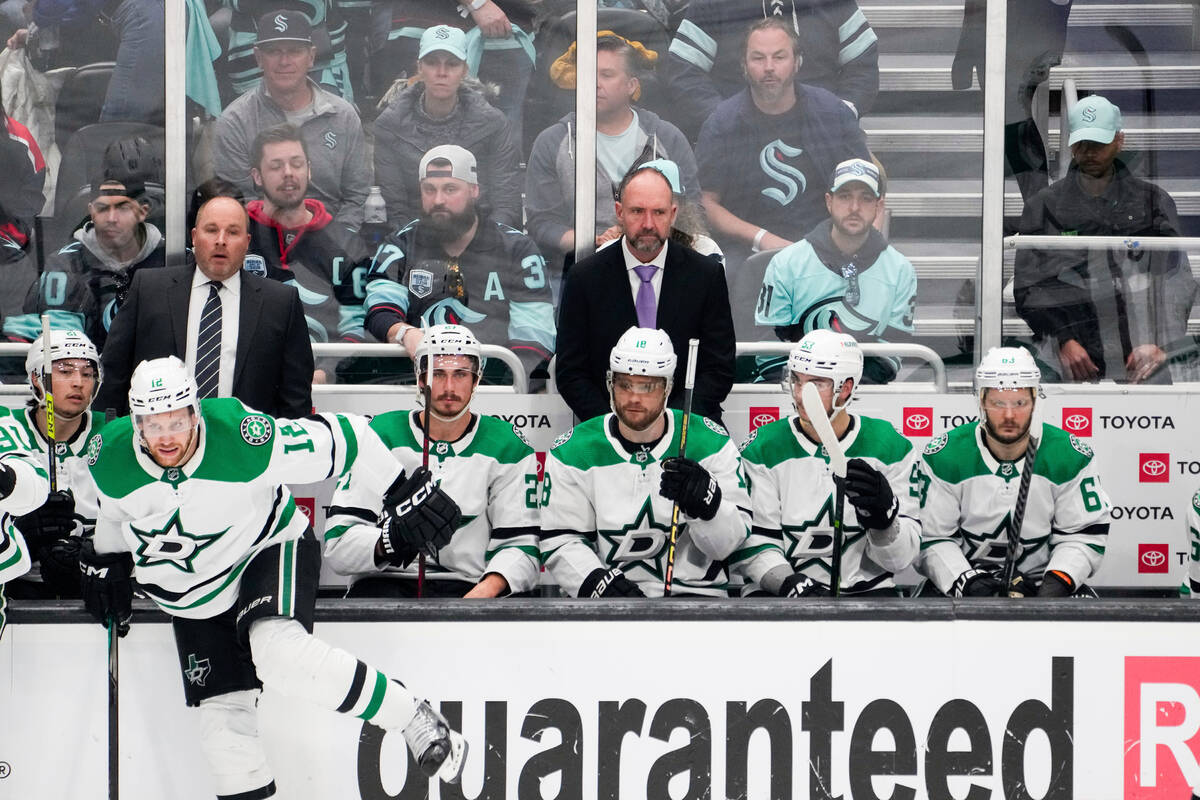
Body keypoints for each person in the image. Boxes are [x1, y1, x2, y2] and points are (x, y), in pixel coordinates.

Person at [79, 356, 467, 797]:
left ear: (195, 412)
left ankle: (413, 717)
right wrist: (105, 561)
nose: (167, 437)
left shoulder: (244, 439)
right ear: (136, 424)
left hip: (266, 547)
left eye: (177, 421)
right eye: (153, 424)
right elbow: (113, 515)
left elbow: (350, 438)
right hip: (192, 594)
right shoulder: (107, 457)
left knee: (280, 655)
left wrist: (401, 487)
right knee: (224, 737)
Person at [325, 324, 541, 597]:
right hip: (383, 585)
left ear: (476, 380)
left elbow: (522, 548)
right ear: (419, 377)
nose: (448, 387)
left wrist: (474, 602)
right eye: (438, 374)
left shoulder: (509, 446)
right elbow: (338, 546)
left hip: (469, 589)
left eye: (460, 374)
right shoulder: (377, 435)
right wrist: (392, 539)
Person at [540, 326, 750, 598]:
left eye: (647, 386)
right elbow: (562, 541)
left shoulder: (711, 442)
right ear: (610, 383)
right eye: (625, 384)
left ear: (668, 388)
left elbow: (727, 546)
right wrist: (597, 583)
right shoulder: (572, 450)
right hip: (604, 608)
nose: (634, 397)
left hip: (697, 604)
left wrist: (709, 507)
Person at [1013, 94, 1195, 384]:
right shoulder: (1044, 205)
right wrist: (1064, 340)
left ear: (1119, 141)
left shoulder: (1153, 202)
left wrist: (1160, 344)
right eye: (1082, 143)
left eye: (1098, 143)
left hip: (1142, 352)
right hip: (1069, 356)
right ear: (1071, 144)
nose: (1089, 152)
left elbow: (1177, 281)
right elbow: (1029, 287)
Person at [915, 346, 1111, 597]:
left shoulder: (1069, 455)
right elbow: (931, 537)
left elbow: (1083, 534)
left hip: (1042, 582)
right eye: (998, 403)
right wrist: (967, 582)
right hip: (965, 585)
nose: (1009, 415)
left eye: (1020, 403)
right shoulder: (945, 455)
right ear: (981, 400)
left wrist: (1055, 586)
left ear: (1035, 401)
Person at [735, 330, 920, 596]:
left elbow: (900, 562)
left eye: (816, 384)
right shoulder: (761, 448)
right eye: (797, 381)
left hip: (866, 596)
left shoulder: (891, 446)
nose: (800, 395)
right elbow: (755, 544)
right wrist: (790, 583)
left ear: (845, 388)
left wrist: (884, 522)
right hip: (781, 597)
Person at [94, 196, 314, 418]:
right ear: (194, 236)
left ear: (247, 242)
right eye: (211, 230)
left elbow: (295, 398)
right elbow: (113, 374)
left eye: (232, 232)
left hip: (246, 446)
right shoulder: (149, 289)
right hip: (158, 442)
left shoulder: (280, 303)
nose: (221, 240)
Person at [555, 164, 735, 422]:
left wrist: (670, 426)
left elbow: (719, 369)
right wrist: (618, 426)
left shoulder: (706, 275)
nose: (648, 224)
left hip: (688, 425)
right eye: (637, 211)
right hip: (607, 427)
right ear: (619, 212)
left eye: (658, 212)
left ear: (673, 214)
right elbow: (571, 372)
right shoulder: (584, 278)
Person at [364, 145, 555, 383]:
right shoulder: (400, 244)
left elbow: (535, 342)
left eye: (450, 189)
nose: (438, 200)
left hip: (494, 388)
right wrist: (404, 333)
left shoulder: (517, 250)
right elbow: (379, 312)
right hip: (415, 385)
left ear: (474, 190)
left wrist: (498, 389)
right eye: (429, 190)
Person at [695, 18, 870, 272]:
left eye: (779, 57)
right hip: (746, 250)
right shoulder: (722, 123)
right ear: (744, 66)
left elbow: (869, 189)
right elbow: (705, 202)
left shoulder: (833, 113)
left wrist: (861, 249)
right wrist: (762, 239)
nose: (769, 67)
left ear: (797, 62)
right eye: (758, 58)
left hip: (828, 242)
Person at [525, 32, 700, 264]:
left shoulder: (667, 137)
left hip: (659, 257)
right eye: (587, 75)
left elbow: (693, 209)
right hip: (581, 264)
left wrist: (637, 238)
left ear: (631, 85)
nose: (595, 84)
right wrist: (595, 242)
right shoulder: (552, 141)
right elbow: (542, 223)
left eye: (607, 75)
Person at [754, 158, 916, 382]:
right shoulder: (786, 263)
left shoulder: (900, 270)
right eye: (845, 196)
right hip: (792, 391)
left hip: (864, 391)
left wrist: (845, 388)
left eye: (866, 198)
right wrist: (810, 386)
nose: (854, 208)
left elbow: (893, 351)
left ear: (879, 206)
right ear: (829, 202)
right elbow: (768, 346)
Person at [212, 10, 371, 231]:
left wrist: (334, 245)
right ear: (258, 57)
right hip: (264, 243)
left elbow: (357, 197)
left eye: (294, 51)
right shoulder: (235, 121)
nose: (284, 61)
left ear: (312, 56)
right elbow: (236, 204)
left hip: (333, 242)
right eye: (274, 51)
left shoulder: (343, 116)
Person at [243, 124, 372, 383]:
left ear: (309, 170)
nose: (288, 173)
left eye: (297, 163)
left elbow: (356, 325)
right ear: (257, 176)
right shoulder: (236, 233)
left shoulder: (347, 246)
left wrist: (325, 372)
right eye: (276, 166)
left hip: (319, 386)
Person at [372, 24, 522, 229]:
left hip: (481, 239)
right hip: (416, 239)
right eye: (432, 63)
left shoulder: (494, 124)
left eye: (452, 64)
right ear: (419, 68)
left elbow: (505, 204)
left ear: (464, 71)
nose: (441, 72)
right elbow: (395, 209)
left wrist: (484, 245)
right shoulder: (389, 126)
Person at [666, 0, 879, 138]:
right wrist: (722, 120)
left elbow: (862, 66)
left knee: (869, 181)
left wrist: (837, 118)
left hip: (822, 136)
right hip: (738, 140)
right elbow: (684, 69)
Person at [3, 330, 105, 600]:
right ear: (37, 378)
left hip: (93, 586)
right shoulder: (6, 429)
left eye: (87, 373)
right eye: (64, 371)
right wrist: (21, 532)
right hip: (16, 587)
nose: (78, 382)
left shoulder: (114, 435)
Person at [4, 179, 165, 348]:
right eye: (102, 208)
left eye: (122, 208)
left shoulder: (172, 258)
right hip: (85, 370)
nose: (112, 218)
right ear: (92, 212)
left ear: (142, 212)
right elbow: (58, 349)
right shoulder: (63, 265)